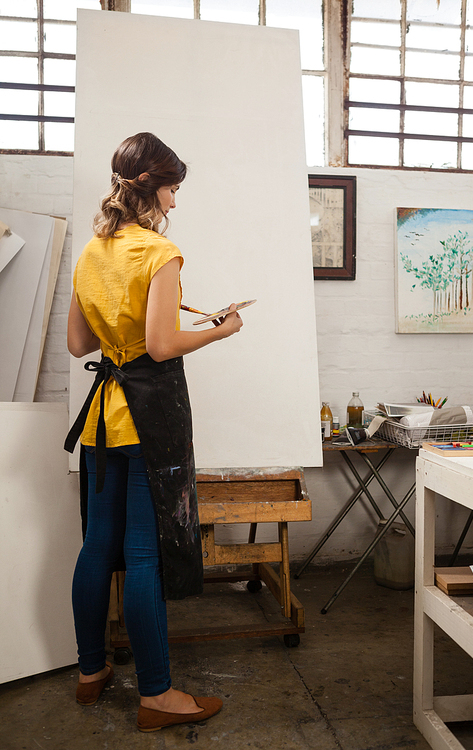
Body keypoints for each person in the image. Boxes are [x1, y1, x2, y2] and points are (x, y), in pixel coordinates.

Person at [65, 132, 243, 733]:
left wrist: (125, 330)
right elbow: (162, 346)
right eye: (174, 189)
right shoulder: (159, 254)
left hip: (102, 424)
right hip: (148, 424)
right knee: (143, 557)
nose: (176, 202)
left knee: (96, 549)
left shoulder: (92, 252)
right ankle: (157, 694)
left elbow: (78, 344)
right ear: (154, 189)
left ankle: (91, 674)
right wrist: (222, 330)